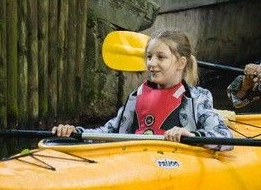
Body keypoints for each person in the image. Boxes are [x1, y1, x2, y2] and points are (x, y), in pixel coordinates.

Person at [53, 29, 233, 149]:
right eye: (149, 57)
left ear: (181, 63)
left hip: (174, 165)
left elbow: (225, 137)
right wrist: (76, 132)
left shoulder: (197, 99)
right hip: (135, 162)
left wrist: (192, 134)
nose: (151, 63)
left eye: (161, 57)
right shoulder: (136, 97)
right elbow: (110, 131)